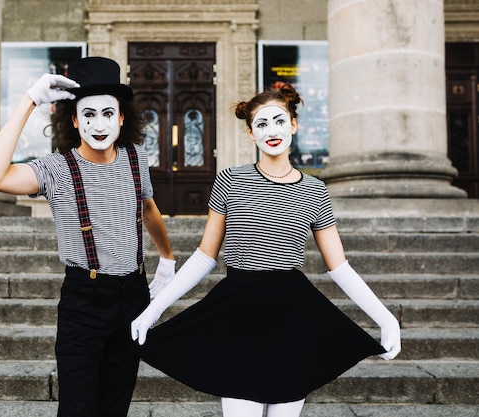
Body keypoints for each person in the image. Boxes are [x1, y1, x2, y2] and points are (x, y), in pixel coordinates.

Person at [130, 83, 401, 417]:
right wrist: (153, 310)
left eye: (279, 121)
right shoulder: (230, 179)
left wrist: (386, 320)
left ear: (293, 125)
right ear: (250, 132)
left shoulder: (316, 191)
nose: (271, 131)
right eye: (261, 124)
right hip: (238, 312)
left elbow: (339, 267)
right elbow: (204, 256)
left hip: (292, 316)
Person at [0, 56, 176, 417]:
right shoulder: (56, 168)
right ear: (73, 119)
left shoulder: (135, 158)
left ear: (121, 118)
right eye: (88, 114)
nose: (98, 124)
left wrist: (168, 257)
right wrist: (29, 101)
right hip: (84, 300)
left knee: (115, 405)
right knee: (78, 409)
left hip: (132, 295)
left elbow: (148, 208)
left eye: (106, 114)